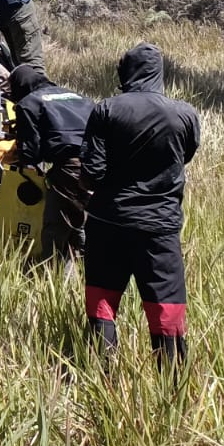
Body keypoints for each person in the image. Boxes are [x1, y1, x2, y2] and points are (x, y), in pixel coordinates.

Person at [81, 43, 200, 366]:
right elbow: (184, 157)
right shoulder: (185, 114)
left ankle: (101, 374)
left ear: (125, 71)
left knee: (102, 303)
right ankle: (171, 387)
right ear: (160, 73)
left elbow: (92, 173)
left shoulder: (107, 109)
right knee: (167, 309)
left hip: (109, 222)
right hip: (160, 228)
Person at [7, 64, 95, 264]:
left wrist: (22, 159)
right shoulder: (79, 97)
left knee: (56, 226)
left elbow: (30, 152)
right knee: (82, 222)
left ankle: (50, 275)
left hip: (69, 168)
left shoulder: (29, 103)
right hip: (99, 165)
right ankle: (82, 272)